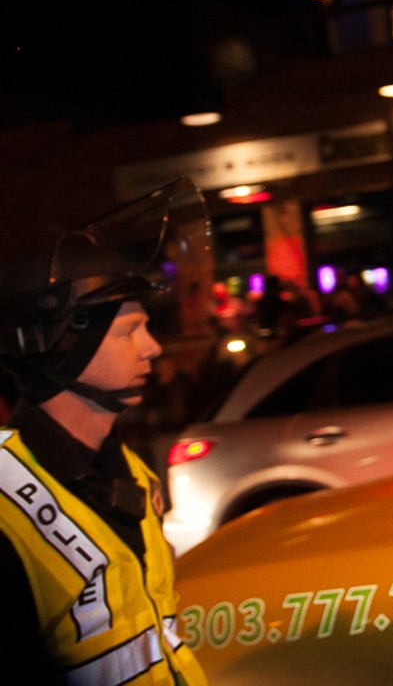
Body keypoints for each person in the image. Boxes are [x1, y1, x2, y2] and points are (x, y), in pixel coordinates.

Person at [0, 178, 209, 685]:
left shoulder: (132, 475)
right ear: (62, 344)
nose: (153, 347)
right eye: (127, 331)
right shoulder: (6, 501)